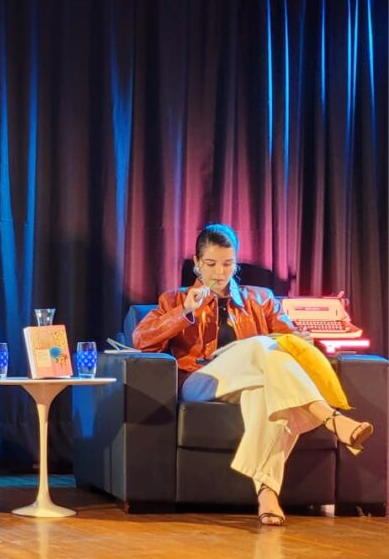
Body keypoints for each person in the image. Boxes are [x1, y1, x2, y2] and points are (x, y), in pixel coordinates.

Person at [133, 223, 374, 526]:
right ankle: (330, 417)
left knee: (266, 393)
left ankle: (267, 493)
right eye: (211, 264)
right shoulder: (175, 299)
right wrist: (185, 312)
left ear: (236, 264)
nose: (220, 272)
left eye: (227, 264)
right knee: (262, 344)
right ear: (196, 264)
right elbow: (141, 339)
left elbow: (290, 340)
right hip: (202, 379)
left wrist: (304, 339)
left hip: (248, 380)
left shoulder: (261, 299)